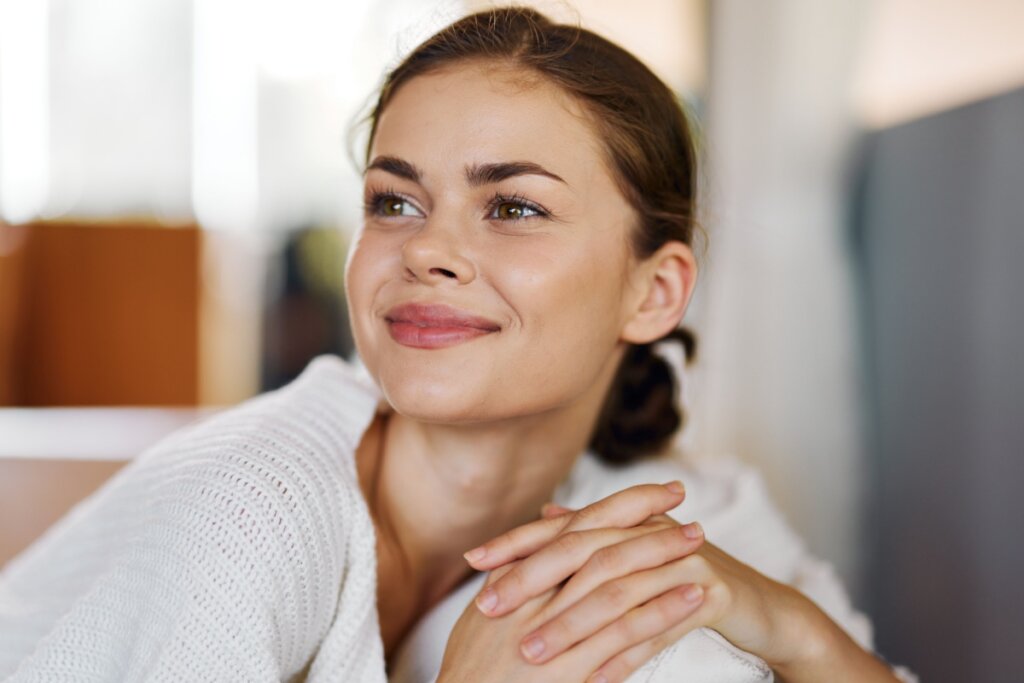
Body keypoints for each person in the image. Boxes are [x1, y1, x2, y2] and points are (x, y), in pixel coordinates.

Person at [0, 7, 915, 683]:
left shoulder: (671, 509)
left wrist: (782, 622)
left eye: (513, 207)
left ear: (655, 291)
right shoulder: (250, 507)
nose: (426, 249)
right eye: (394, 201)